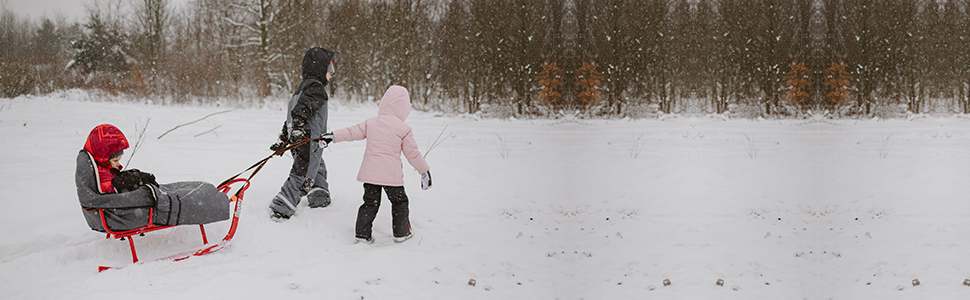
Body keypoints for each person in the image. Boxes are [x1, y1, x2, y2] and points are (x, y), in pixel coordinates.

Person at [319, 85, 432, 244]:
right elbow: (412, 153)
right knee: (399, 202)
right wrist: (424, 170)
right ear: (405, 108)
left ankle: (362, 235)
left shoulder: (372, 123)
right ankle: (401, 233)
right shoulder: (404, 128)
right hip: (391, 177)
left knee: (370, 203)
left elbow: (351, 132)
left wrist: (333, 136)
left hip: (370, 174)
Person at [76, 124, 229, 232]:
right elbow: (116, 192)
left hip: (115, 214)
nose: (118, 165)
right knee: (188, 197)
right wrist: (135, 182)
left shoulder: (99, 166)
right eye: (115, 161)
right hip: (122, 215)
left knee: (192, 188)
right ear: (102, 157)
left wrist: (132, 177)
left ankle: (211, 193)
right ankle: (216, 201)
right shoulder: (102, 176)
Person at [268, 46, 336, 220]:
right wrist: (298, 126)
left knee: (316, 164)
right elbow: (301, 111)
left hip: (302, 138)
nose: (331, 74)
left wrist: (285, 137)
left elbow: (293, 113)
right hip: (307, 138)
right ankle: (282, 206)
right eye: (330, 70)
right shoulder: (316, 87)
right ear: (321, 69)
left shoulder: (302, 88)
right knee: (304, 172)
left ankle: (319, 196)